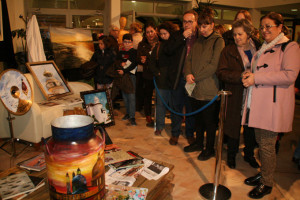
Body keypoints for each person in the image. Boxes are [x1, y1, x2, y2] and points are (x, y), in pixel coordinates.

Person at [241, 12, 300, 199]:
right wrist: (248, 73)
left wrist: (256, 78)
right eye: (262, 27)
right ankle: (264, 173)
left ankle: (267, 182)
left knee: (266, 145)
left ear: (280, 27)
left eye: (269, 26)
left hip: (272, 105)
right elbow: (259, 68)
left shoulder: (290, 46)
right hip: (259, 103)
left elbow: (289, 75)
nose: (265, 30)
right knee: (261, 143)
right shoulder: (266, 46)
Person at [217, 19, 261, 169]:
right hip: (236, 93)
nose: (236, 37)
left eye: (240, 34)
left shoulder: (259, 48)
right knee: (233, 126)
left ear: (248, 34)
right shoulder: (228, 50)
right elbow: (221, 72)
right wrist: (240, 75)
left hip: (255, 94)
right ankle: (231, 155)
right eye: (235, 34)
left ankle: (249, 154)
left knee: (251, 126)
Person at [184, 7, 225, 160]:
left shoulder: (218, 41)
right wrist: (188, 74)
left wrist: (195, 76)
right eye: (200, 26)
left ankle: (209, 149)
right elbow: (189, 59)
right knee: (198, 120)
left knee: (209, 123)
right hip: (195, 88)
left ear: (212, 25)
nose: (202, 29)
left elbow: (213, 65)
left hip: (209, 89)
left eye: (205, 25)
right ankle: (198, 143)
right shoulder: (198, 40)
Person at [149, 21, 184, 136]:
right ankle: (159, 126)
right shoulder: (158, 46)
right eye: (161, 34)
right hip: (162, 81)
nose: (163, 36)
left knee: (175, 106)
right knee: (160, 105)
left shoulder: (176, 44)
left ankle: (176, 129)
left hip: (174, 80)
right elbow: (152, 62)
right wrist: (157, 72)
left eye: (165, 33)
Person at [169, 9, 198, 146]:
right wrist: (182, 38)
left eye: (190, 22)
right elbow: (169, 51)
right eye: (185, 22)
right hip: (178, 78)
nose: (187, 24)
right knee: (176, 107)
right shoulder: (176, 35)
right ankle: (175, 133)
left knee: (191, 108)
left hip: (192, 79)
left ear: (196, 22)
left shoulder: (200, 38)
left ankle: (190, 134)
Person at [136, 21, 159, 126]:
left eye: (151, 31)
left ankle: (159, 115)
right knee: (147, 95)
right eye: (147, 32)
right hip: (148, 74)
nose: (150, 34)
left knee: (160, 96)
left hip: (159, 74)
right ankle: (148, 115)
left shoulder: (161, 42)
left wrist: (148, 58)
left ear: (156, 31)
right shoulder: (142, 44)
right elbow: (138, 57)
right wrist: (141, 59)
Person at [116, 34, 138, 126]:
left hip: (131, 76)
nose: (127, 44)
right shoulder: (120, 52)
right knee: (125, 96)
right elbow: (118, 62)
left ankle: (132, 117)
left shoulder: (134, 52)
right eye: (125, 42)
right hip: (122, 77)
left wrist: (124, 69)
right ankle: (128, 113)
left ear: (132, 43)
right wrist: (122, 65)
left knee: (131, 96)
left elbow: (133, 64)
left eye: (129, 42)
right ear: (122, 42)